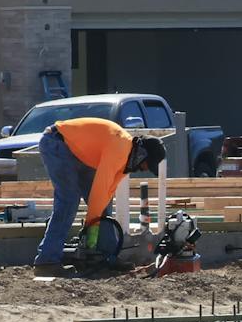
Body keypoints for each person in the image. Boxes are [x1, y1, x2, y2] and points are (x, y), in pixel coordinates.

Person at [31, 117, 168, 277]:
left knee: (102, 207)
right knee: (68, 201)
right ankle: (46, 261)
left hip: (78, 152)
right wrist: (91, 226)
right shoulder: (120, 149)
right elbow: (99, 189)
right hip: (58, 143)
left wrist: (94, 225)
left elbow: (106, 193)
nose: (143, 169)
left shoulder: (125, 157)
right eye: (145, 164)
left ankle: (107, 256)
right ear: (142, 154)